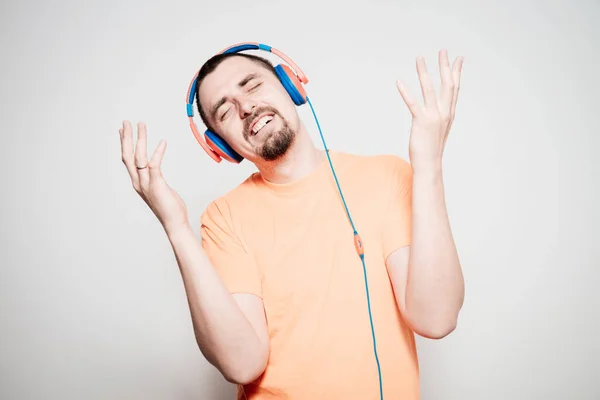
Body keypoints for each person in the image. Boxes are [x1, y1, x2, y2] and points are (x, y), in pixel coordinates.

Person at [119, 44, 465, 400]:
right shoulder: (224, 218)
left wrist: (428, 164)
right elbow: (242, 364)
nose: (246, 107)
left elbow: (436, 319)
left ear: (291, 85)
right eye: (224, 111)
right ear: (220, 146)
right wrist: (175, 226)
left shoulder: (388, 176)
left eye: (252, 86)